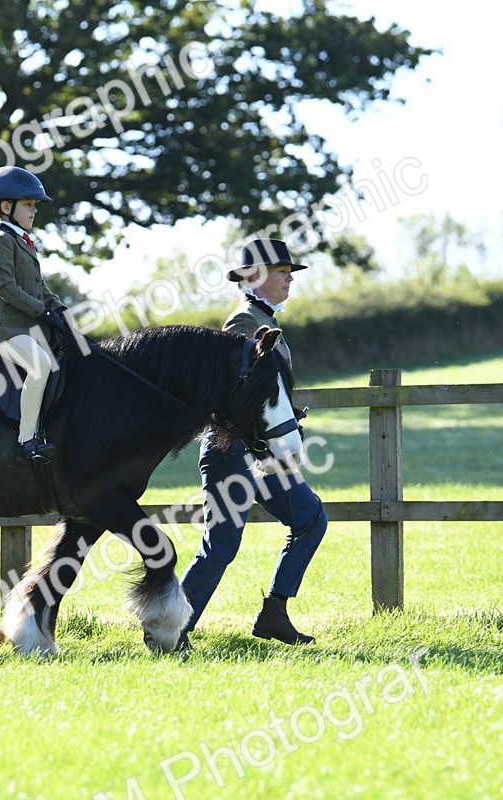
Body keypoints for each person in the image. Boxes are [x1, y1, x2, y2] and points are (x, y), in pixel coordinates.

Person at [178, 238, 329, 648]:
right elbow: (238, 395)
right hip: (233, 453)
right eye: (282, 272)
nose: (289, 280)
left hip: (262, 455)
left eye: (290, 273)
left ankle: (274, 613)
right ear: (255, 277)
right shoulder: (244, 324)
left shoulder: (264, 319)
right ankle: (171, 629)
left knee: (311, 519)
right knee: (221, 545)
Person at [0, 166, 66, 465]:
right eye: (29, 205)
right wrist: (43, 311)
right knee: (40, 365)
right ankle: (27, 441)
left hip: (27, 327)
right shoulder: (0, 241)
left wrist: (59, 309)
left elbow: (39, 286)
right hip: (5, 328)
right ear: (6, 207)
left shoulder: (23, 241)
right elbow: (5, 288)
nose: (34, 211)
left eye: (34, 206)